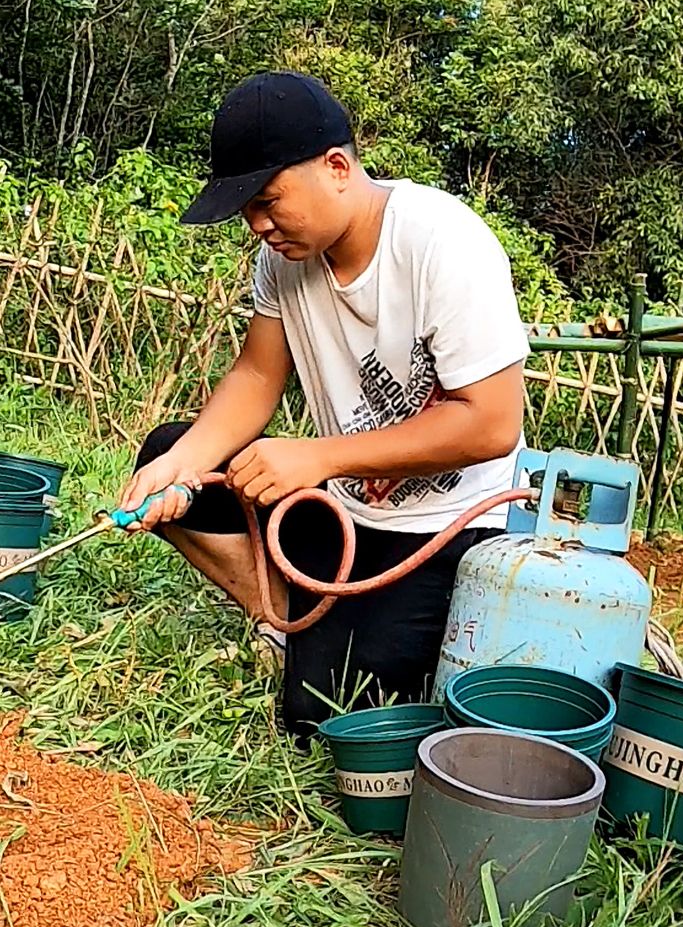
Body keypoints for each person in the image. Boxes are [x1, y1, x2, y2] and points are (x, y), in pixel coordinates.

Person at [117, 71, 531, 741]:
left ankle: (335, 629)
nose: (259, 226)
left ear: (337, 168)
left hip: (447, 531)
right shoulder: (282, 261)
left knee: (328, 721)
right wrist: (186, 466)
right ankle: (285, 616)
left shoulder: (443, 243)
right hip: (344, 512)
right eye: (248, 209)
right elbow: (256, 375)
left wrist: (318, 457)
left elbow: (491, 421)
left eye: (269, 201)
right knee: (170, 451)